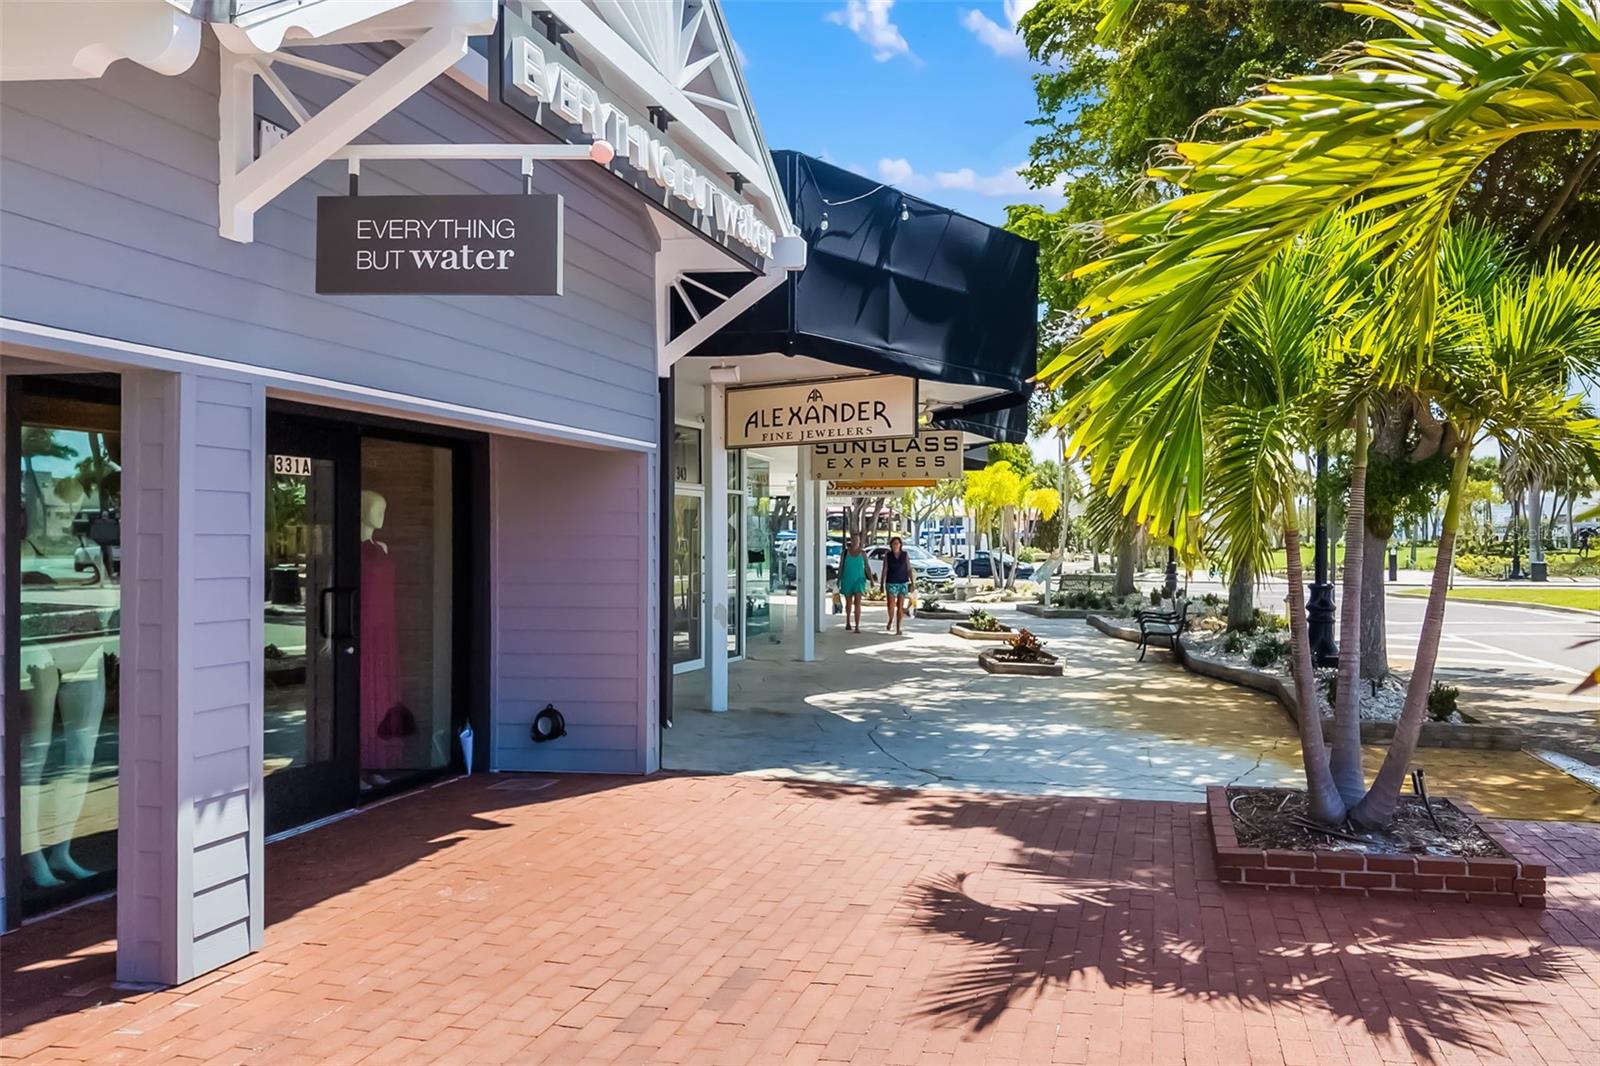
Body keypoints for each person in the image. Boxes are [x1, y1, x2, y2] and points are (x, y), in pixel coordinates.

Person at [881, 536, 915, 635]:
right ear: (891, 545)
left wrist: (912, 582)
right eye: (894, 543)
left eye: (897, 543)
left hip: (903, 582)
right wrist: (882, 583)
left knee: (900, 606)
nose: (895, 545)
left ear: (900, 545)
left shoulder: (905, 555)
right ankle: (891, 619)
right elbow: (885, 569)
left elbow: (909, 568)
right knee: (891, 605)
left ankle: (898, 627)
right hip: (891, 582)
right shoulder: (888, 555)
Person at [838, 535, 869, 632]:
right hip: (847, 579)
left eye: (857, 540)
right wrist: (839, 578)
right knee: (848, 603)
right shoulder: (845, 553)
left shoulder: (863, 553)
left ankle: (857, 626)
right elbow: (841, 566)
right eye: (854, 540)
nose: (856, 542)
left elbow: (867, 566)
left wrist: (871, 579)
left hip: (859, 580)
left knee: (858, 603)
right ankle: (848, 621)